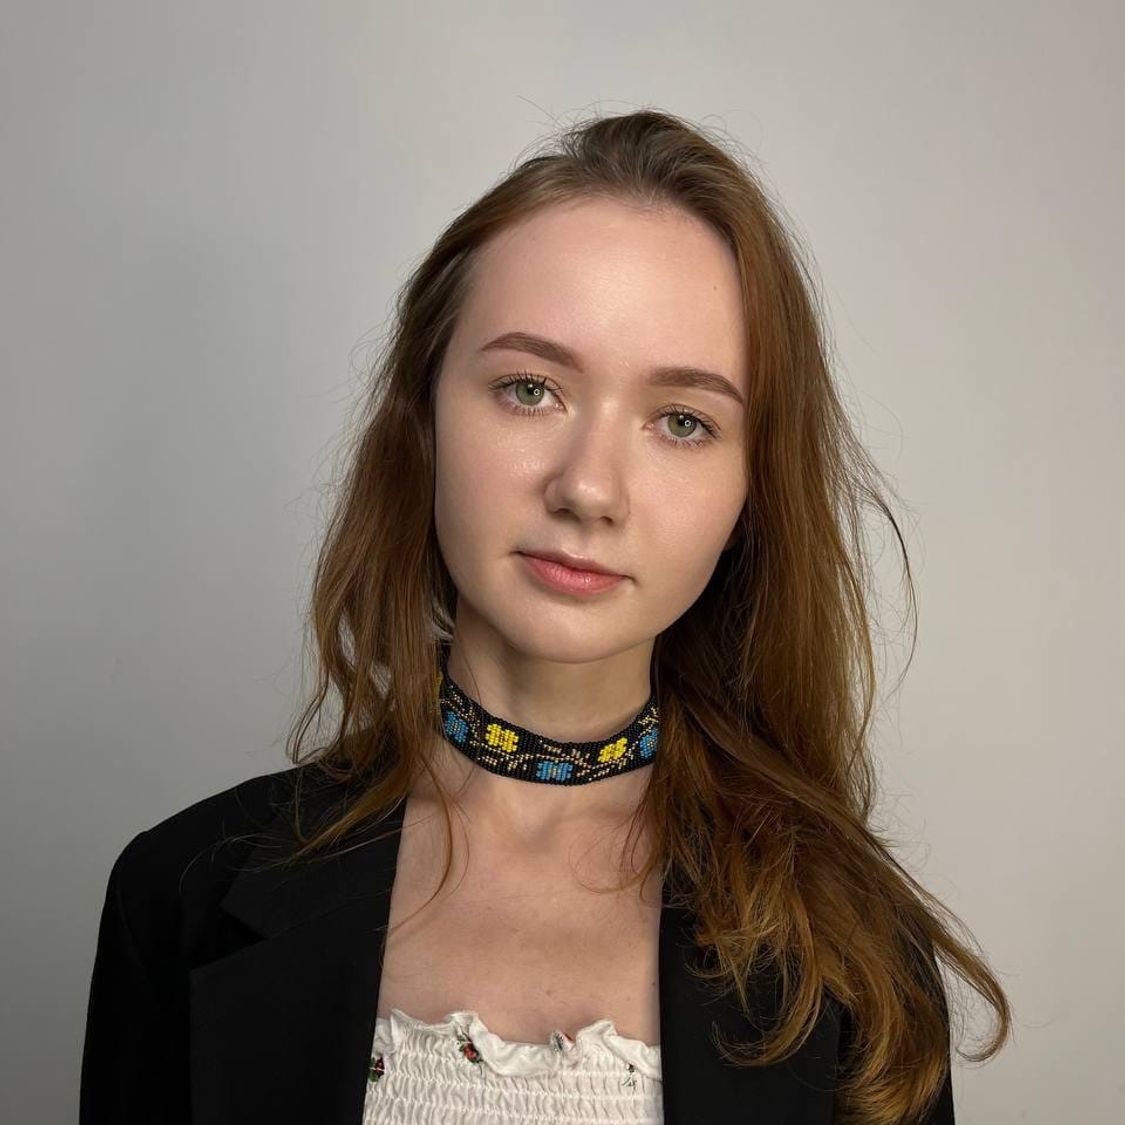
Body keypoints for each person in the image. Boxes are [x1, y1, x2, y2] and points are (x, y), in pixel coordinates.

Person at [79, 109, 1011, 1124]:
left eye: (683, 421)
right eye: (530, 389)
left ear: (753, 493)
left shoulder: (856, 953)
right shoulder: (180, 895)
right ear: (422, 419)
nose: (589, 489)